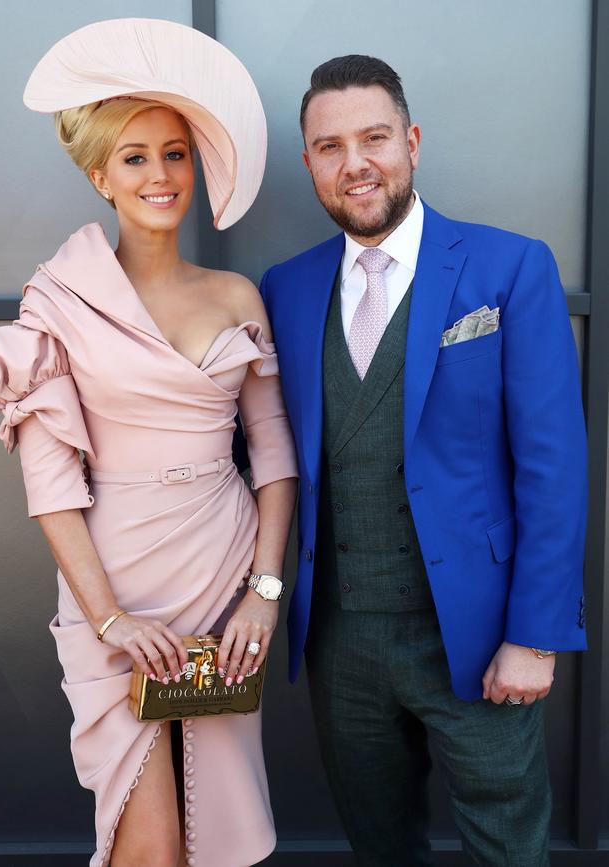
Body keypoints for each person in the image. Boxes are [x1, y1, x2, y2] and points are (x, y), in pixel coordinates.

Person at [0, 19, 297, 867]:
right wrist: (110, 617)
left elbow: (273, 457)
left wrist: (265, 590)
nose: (160, 175)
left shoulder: (237, 295)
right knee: (149, 843)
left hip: (226, 577)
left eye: (175, 153)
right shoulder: (58, 301)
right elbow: (50, 486)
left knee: (219, 832)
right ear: (100, 176)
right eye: (135, 156)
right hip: (111, 589)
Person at [260, 55, 587, 865]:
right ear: (309, 164)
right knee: (381, 848)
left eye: (374, 137)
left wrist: (535, 635)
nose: (354, 162)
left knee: (508, 846)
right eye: (329, 146)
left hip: (477, 636)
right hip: (341, 644)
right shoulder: (286, 288)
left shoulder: (509, 267)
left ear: (410, 142)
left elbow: (554, 466)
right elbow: (256, 454)